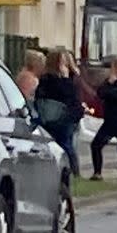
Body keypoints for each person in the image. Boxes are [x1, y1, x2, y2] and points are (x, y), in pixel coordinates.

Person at [35, 48, 84, 177]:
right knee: (60, 144)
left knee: (67, 143)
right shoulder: (48, 79)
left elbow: (74, 97)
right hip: (55, 116)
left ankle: (73, 171)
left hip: (68, 116)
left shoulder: (73, 77)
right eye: (61, 62)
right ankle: (65, 171)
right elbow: (61, 93)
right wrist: (64, 79)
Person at [90, 57, 117, 184]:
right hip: (110, 120)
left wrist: (110, 92)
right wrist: (109, 84)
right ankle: (97, 172)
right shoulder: (110, 81)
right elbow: (100, 93)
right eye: (116, 67)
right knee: (96, 145)